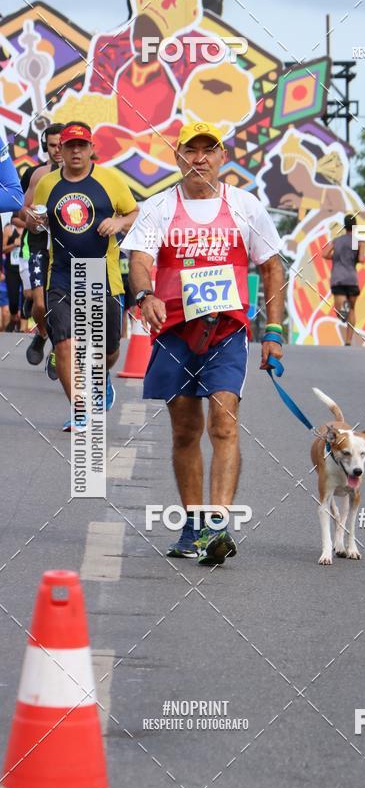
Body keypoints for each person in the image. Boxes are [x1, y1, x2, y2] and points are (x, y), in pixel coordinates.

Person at [122, 120, 285, 566]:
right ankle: (193, 525)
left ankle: (218, 525)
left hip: (227, 332)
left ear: (222, 157)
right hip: (175, 333)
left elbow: (272, 268)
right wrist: (145, 294)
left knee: (224, 424)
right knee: (185, 431)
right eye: (190, 151)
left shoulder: (245, 207)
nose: (199, 159)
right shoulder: (158, 207)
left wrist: (273, 332)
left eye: (208, 151)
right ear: (178, 157)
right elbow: (139, 260)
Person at [28, 121, 138, 430]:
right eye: (69, 146)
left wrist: (118, 224)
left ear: (91, 150)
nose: (76, 151)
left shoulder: (111, 181)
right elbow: (34, 221)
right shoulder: (47, 184)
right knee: (64, 343)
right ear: (59, 151)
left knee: (110, 348)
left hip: (103, 275)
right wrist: (35, 221)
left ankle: (100, 378)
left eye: (82, 146)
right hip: (62, 275)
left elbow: (133, 213)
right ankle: (80, 411)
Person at [19, 123, 64, 373]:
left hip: (66, 249)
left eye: (61, 144)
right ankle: (42, 335)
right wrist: (33, 219)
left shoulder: (85, 175)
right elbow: (23, 210)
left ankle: (59, 350)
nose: (57, 150)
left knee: (62, 307)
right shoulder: (38, 174)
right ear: (46, 146)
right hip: (39, 247)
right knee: (39, 306)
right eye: (52, 145)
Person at [322, 214, 365, 346]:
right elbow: (362, 259)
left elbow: (324, 254)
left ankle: (343, 311)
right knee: (352, 310)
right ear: (355, 226)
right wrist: (354, 258)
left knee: (341, 314)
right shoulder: (358, 242)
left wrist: (336, 257)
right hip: (352, 279)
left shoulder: (337, 241)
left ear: (344, 225)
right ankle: (348, 340)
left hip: (338, 278)